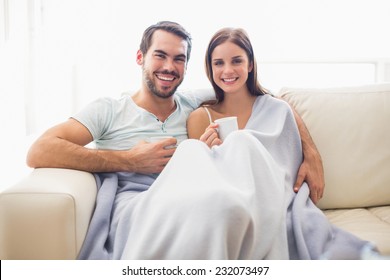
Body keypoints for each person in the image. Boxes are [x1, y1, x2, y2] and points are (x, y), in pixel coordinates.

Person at [25, 21, 342, 259]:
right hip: (140, 201)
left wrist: (311, 153)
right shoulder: (109, 109)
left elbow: (268, 96)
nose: (168, 67)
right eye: (160, 55)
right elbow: (39, 150)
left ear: (187, 66)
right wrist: (127, 160)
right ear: (140, 57)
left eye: (179, 59)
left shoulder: (194, 102)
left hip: (192, 192)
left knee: (229, 192)